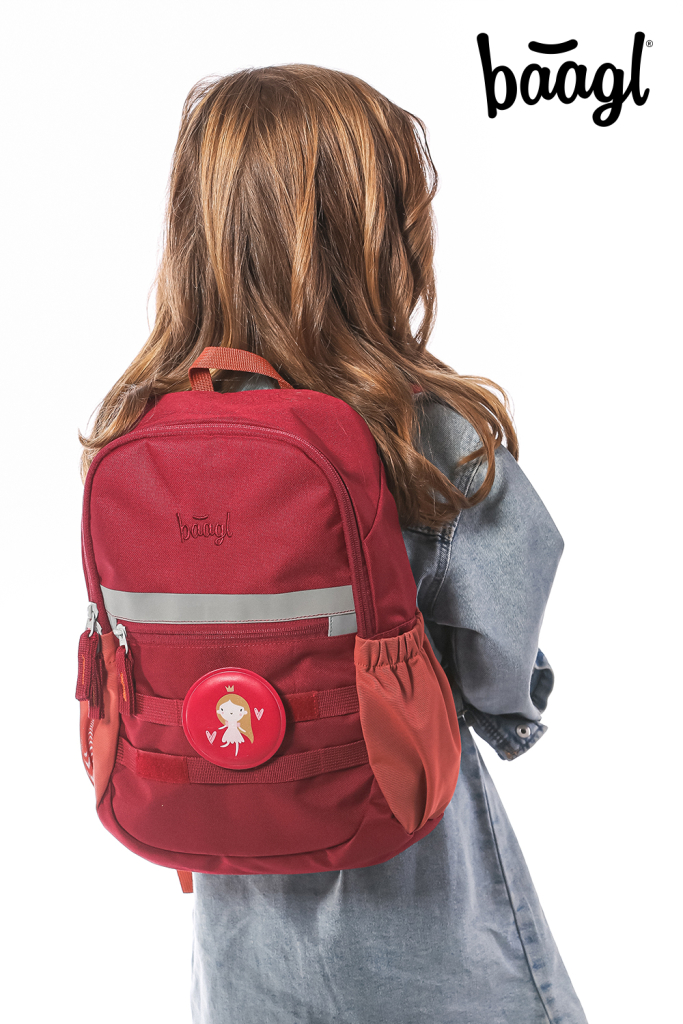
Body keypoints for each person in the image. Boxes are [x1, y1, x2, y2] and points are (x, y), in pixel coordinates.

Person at [80, 64, 587, 1024]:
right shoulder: (425, 431)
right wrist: (508, 708)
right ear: (374, 236)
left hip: (234, 900)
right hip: (420, 887)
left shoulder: (140, 434)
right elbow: (502, 637)